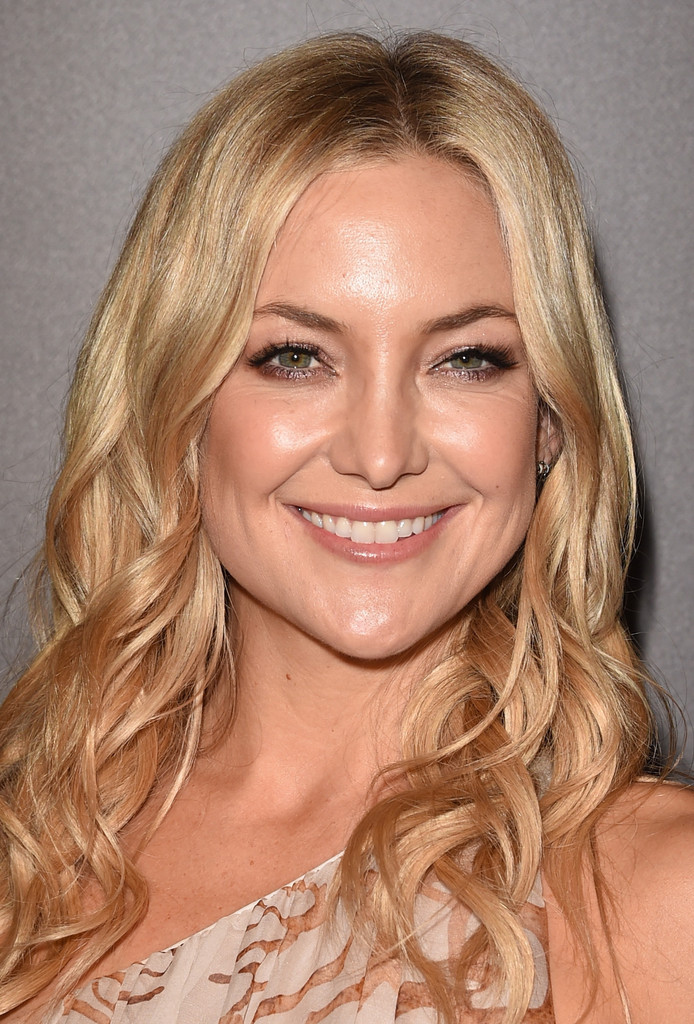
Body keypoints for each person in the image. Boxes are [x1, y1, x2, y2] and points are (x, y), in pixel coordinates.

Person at [0, 29, 692, 1024]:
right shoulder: (31, 838)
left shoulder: (653, 896)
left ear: (548, 420)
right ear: (179, 409)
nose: (379, 454)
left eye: (466, 359)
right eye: (295, 357)